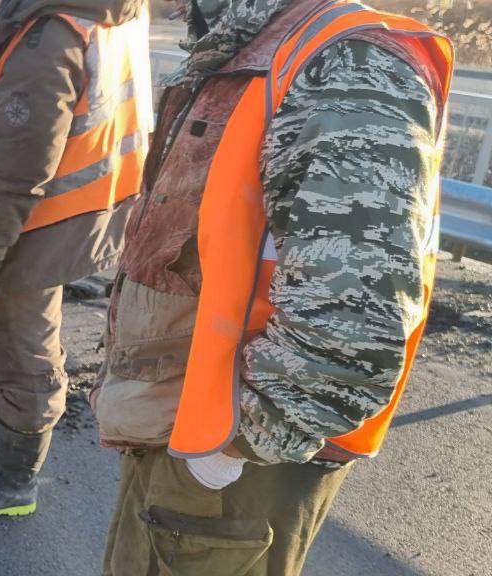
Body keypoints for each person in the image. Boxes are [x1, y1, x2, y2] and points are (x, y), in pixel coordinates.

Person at [90, 0, 452, 572]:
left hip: (234, 463)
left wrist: (230, 451)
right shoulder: (256, 44)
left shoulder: (344, 62)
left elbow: (355, 315)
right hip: (187, 431)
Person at [0, 0, 153, 518]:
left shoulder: (52, 33)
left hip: (34, 224)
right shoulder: (102, 17)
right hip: (71, 208)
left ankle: (13, 479)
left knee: (23, 351)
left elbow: (19, 160)